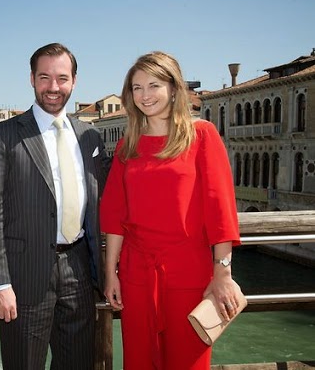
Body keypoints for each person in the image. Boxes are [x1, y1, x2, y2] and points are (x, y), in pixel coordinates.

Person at [100, 51, 242, 370]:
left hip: (189, 274)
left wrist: (223, 273)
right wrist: (111, 274)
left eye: (154, 85)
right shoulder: (127, 145)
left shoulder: (202, 135)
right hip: (136, 275)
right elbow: (114, 216)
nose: (145, 95)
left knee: (188, 362)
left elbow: (220, 207)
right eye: (137, 88)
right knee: (138, 361)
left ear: (173, 89)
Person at [0, 42, 110, 370]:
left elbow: (112, 197)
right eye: (45, 77)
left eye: (62, 78)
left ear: (74, 81)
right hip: (23, 279)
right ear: (32, 79)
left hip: (79, 272)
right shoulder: (3, 135)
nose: (53, 87)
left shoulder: (90, 137)